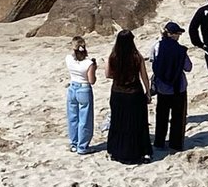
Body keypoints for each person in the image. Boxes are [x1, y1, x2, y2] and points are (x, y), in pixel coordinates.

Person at [104, 29, 152, 165]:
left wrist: (119, 75)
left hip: (118, 93)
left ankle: (116, 150)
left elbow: (108, 74)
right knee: (138, 123)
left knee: (118, 122)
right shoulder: (137, 56)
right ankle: (142, 151)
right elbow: (144, 76)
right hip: (134, 93)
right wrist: (148, 92)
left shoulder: (113, 56)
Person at [151, 20, 192, 153]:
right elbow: (188, 67)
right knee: (178, 117)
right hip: (178, 87)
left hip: (162, 87)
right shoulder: (181, 50)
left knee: (161, 116)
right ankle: (176, 144)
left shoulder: (157, 46)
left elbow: (153, 61)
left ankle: (159, 142)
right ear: (175, 35)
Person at [64, 35, 97, 154]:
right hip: (83, 89)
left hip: (73, 87)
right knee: (85, 119)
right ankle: (82, 146)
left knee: (73, 117)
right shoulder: (88, 63)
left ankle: (73, 143)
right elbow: (92, 80)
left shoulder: (68, 59)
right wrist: (94, 68)